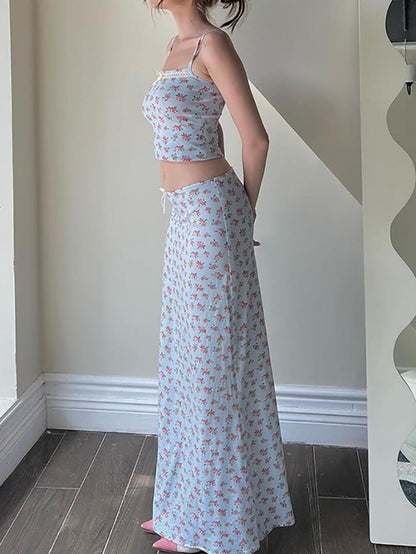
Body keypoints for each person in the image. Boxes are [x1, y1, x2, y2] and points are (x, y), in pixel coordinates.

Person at [140, 1, 295, 552]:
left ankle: (211, 523)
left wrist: (242, 212)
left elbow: (256, 138)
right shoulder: (173, 51)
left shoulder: (214, 45)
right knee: (185, 359)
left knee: (213, 366)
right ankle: (182, 507)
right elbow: (213, 133)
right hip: (185, 215)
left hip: (210, 213)